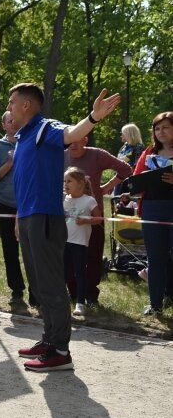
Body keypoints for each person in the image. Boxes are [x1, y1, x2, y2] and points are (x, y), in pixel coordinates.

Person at [10, 83, 120, 372]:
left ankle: (60, 351)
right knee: (38, 283)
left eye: (12, 102)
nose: (9, 108)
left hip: (46, 216)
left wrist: (93, 118)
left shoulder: (45, 127)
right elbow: (25, 182)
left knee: (51, 283)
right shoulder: (23, 137)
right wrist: (21, 217)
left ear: (26, 105)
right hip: (30, 217)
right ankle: (49, 340)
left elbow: (72, 134)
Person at [64, 135, 131, 304]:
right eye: (69, 140)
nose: (73, 144)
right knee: (69, 258)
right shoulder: (61, 156)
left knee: (93, 257)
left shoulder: (97, 155)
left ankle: (91, 294)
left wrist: (106, 187)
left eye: (77, 139)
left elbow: (125, 169)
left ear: (85, 140)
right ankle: (73, 293)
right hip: (69, 220)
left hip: (94, 216)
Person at [0, 111, 34, 306]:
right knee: (10, 250)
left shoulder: (30, 143)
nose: (13, 124)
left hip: (29, 204)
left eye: (15, 121)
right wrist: (9, 164)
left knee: (31, 249)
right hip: (6, 204)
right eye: (9, 121)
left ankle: (35, 291)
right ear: (4, 125)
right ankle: (16, 290)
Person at [132, 112, 173, 315]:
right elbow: (135, 180)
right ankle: (155, 304)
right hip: (152, 209)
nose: (160, 132)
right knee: (155, 258)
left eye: (165, 127)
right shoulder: (148, 153)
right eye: (157, 128)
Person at [63, 167, 101, 317]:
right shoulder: (63, 199)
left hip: (80, 243)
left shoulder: (89, 200)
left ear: (80, 183)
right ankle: (63, 298)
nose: (65, 184)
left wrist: (86, 221)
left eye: (69, 181)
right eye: (64, 181)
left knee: (80, 273)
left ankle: (80, 303)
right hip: (64, 242)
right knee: (64, 272)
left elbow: (98, 219)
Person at [114, 123, 144, 195]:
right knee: (117, 202)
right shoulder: (124, 147)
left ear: (129, 134)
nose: (121, 135)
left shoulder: (139, 147)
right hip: (119, 179)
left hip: (129, 181)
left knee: (127, 204)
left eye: (122, 133)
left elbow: (137, 165)